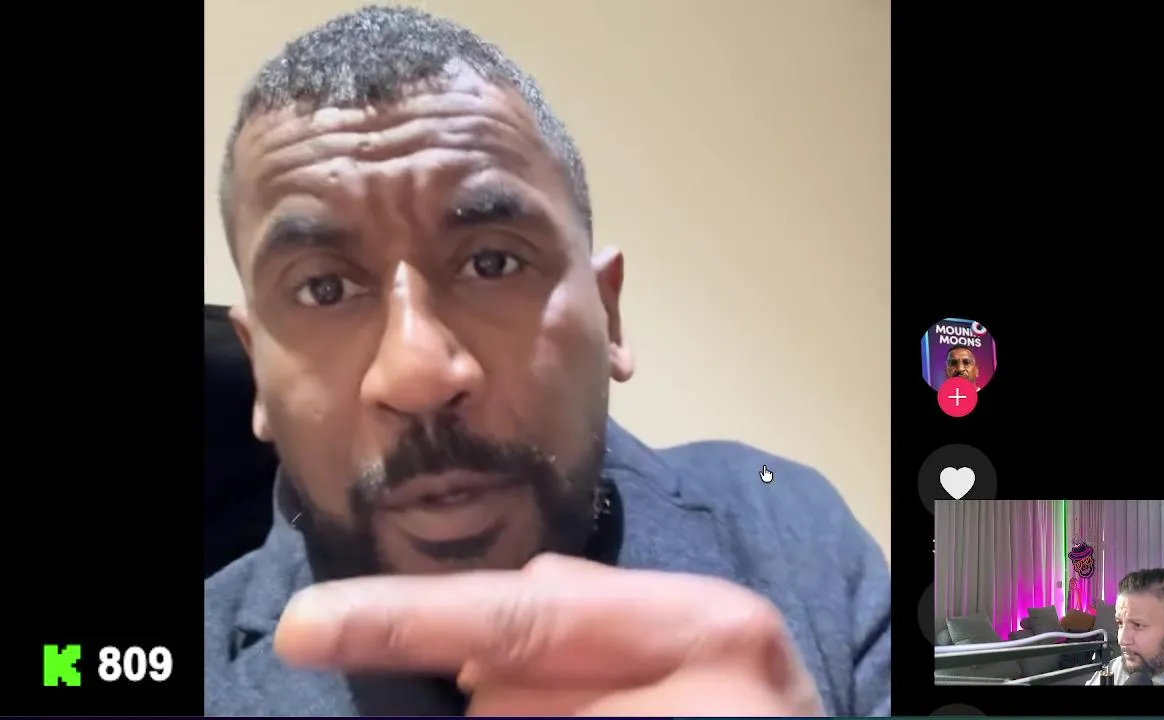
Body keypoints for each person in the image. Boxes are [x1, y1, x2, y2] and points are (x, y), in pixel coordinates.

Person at [203, 5, 891, 717]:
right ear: (258, 373)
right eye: (324, 289)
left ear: (609, 314)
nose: (418, 374)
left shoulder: (791, 526)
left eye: (492, 263)